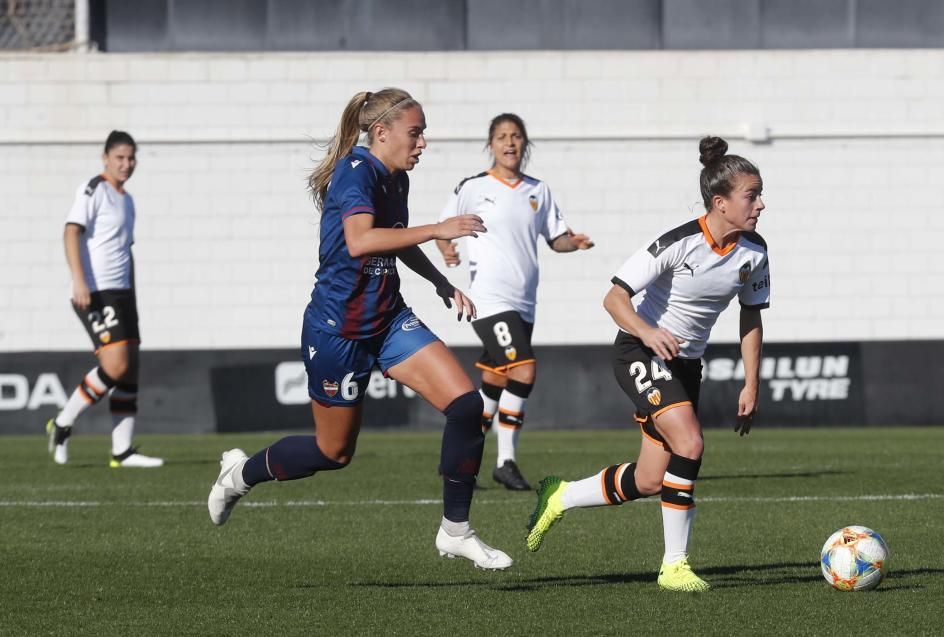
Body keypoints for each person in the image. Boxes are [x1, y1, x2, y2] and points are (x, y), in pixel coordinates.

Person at [207, 88, 512, 570]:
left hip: (388, 319)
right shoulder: (357, 173)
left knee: (466, 405)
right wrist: (438, 229)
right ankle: (239, 473)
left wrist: (439, 283)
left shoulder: (395, 178)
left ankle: (456, 530)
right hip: (338, 331)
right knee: (333, 452)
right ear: (382, 133)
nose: (423, 143)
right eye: (416, 133)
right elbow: (361, 240)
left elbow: (393, 241)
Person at [525, 136, 770, 592]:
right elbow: (614, 297)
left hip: (685, 365)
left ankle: (561, 495)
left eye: (759, 194)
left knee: (651, 479)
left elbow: (750, 316)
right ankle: (674, 566)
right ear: (720, 203)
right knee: (691, 443)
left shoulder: (755, 252)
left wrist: (751, 384)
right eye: (751, 195)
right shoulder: (678, 243)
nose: (760, 205)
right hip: (638, 352)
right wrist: (648, 332)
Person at [435, 113, 593, 491]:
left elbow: (556, 240)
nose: (509, 143)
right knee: (524, 371)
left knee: (493, 384)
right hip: (489, 300)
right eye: (502, 136)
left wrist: (576, 243)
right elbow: (443, 226)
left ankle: (458, 462)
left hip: (524, 302)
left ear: (525, 144)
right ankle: (505, 462)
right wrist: (447, 250)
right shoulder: (474, 187)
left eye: (516, 136)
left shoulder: (539, 190)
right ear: (490, 144)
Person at [45, 130, 163, 468]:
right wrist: (79, 280)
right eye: (120, 158)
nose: (126, 164)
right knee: (116, 365)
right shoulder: (93, 189)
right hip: (96, 291)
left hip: (123, 293)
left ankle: (121, 451)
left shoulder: (127, 199)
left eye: (131, 158)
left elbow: (126, 252)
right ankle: (63, 422)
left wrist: (134, 294)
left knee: (131, 370)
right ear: (106, 158)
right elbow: (71, 231)